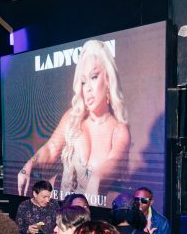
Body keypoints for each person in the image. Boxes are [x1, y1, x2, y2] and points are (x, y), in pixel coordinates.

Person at [17, 40, 130, 197]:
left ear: (108, 79)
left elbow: (115, 161)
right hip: (65, 208)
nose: (88, 88)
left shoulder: (119, 130)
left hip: (96, 211)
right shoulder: (73, 117)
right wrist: (28, 165)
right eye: (83, 81)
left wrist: (96, 178)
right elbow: (50, 149)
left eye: (94, 77)